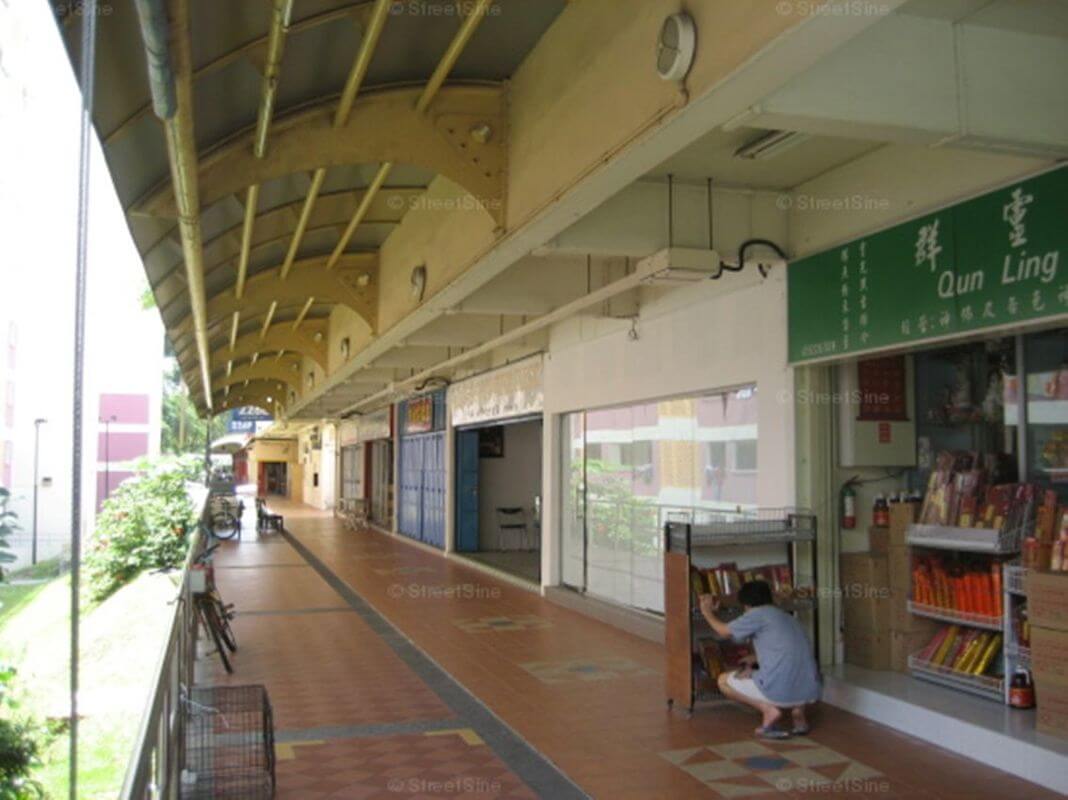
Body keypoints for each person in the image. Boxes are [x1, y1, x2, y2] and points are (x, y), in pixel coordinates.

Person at [699, 579, 821, 739]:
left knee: (723, 680)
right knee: (794, 666)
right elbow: (788, 650)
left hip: (781, 689)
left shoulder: (757, 614)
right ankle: (799, 717)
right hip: (810, 689)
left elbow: (724, 631)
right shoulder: (786, 616)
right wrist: (756, 657)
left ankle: (768, 710)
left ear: (746, 604)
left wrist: (707, 612)